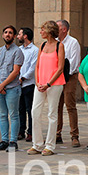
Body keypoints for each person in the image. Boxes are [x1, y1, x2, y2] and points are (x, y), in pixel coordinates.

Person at [29, 20, 65, 155]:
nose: (40, 32)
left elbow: (60, 68)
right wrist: (38, 82)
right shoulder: (42, 45)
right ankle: (37, 144)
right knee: (35, 112)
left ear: (49, 31)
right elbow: (37, 65)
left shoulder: (59, 46)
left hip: (55, 84)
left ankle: (50, 146)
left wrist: (48, 83)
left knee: (52, 113)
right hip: (40, 84)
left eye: (43, 29)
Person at [0, 24, 24, 151]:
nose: (7, 34)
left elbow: (16, 71)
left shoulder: (18, 51)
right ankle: (4, 140)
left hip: (12, 88)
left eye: (10, 33)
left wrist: (3, 84)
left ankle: (13, 141)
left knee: (14, 115)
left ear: (15, 36)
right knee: (2, 115)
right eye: (5, 32)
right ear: (2, 35)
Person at [56, 19, 81, 148]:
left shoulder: (73, 42)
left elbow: (74, 62)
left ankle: (74, 135)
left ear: (64, 29)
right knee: (56, 106)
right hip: (56, 78)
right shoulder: (54, 42)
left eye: (57, 27)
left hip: (69, 77)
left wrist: (64, 75)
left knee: (70, 105)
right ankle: (57, 134)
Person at [17, 27, 38, 141]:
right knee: (20, 109)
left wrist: (23, 78)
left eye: (19, 34)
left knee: (30, 109)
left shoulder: (35, 50)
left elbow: (33, 67)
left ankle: (30, 132)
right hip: (18, 83)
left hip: (29, 84)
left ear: (25, 36)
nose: (18, 36)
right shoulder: (19, 49)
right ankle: (21, 131)